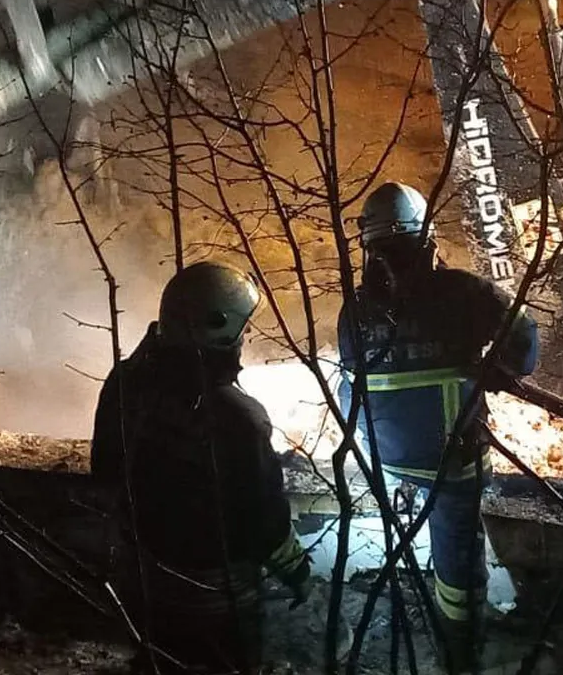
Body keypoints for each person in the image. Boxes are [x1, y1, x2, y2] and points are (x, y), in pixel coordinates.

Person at [336, 182, 539, 672]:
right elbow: (526, 340)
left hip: (385, 454)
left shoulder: (354, 312)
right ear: (426, 240)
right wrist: (499, 370)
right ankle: (461, 645)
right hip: (450, 459)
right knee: (458, 560)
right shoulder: (462, 292)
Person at [91, 261, 310, 675]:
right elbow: (263, 522)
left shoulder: (124, 384)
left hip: (144, 584)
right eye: (243, 329)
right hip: (217, 599)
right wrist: (298, 572)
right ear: (218, 327)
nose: (246, 339)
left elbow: (104, 472)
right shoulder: (238, 418)